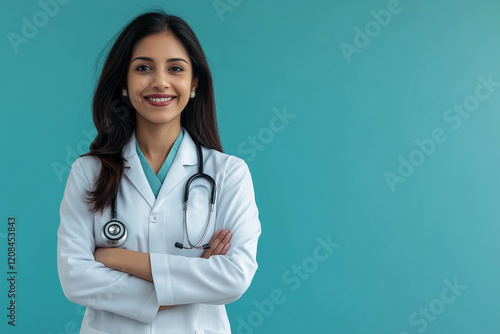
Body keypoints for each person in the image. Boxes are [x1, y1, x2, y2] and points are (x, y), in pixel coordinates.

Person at [57, 11, 261, 334]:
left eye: (175, 68)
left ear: (194, 83)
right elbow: (75, 278)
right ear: (124, 82)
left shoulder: (229, 174)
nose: (160, 81)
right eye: (143, 68)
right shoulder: (87, 173)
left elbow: (234, 277)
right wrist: (196, 274)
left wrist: (115, 259)